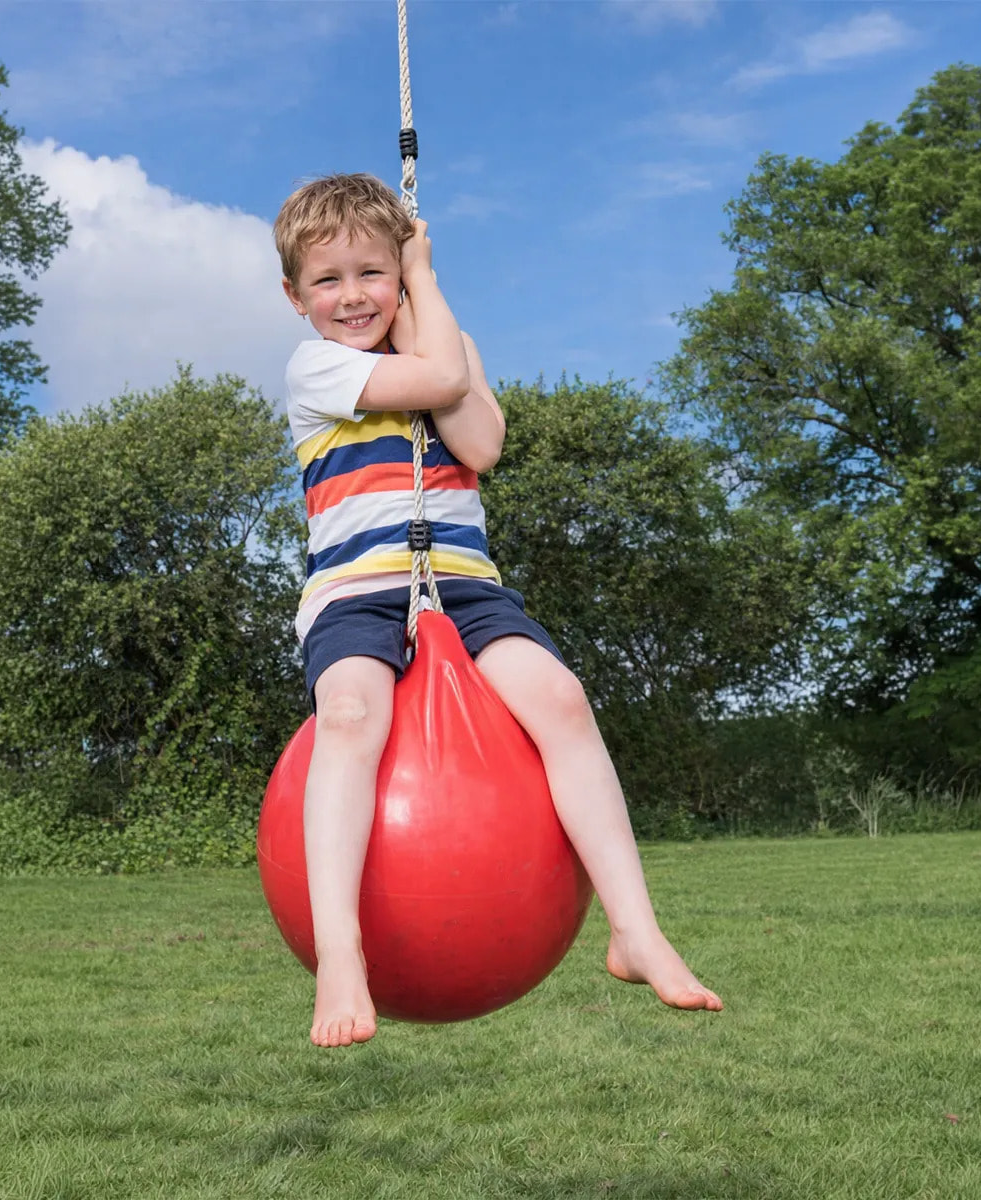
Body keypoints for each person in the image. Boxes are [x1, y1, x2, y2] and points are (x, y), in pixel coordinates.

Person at [274, 173, 722, 1048]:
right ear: (295, 297)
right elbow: (436, 376)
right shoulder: (318, 364)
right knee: (351, 713)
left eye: (375, 271)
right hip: (357, 593)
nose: (354, 295)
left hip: (466, 586)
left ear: (401, 274)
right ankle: (340, 952)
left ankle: (636, 930)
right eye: (328, 280)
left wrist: (429, 294)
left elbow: (480, 442)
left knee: (562, 700)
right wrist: (424, 287)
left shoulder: (448, 341)